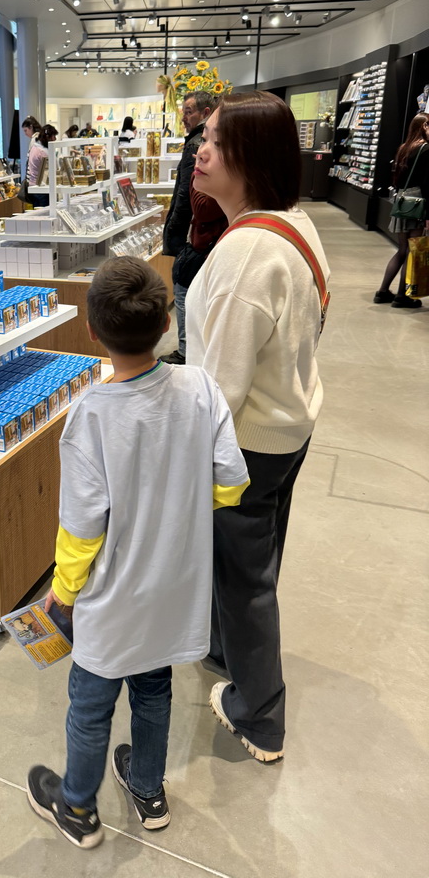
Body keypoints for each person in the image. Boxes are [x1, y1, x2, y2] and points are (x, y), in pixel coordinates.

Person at [26, 257, 249, 849]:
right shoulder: (201, 386)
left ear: (92, 332)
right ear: (168, 321)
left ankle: (76, 806)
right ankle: (148, 789)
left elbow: (81, 529)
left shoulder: (91, 416)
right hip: (172, 588)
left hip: (111, 598)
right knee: (154, 689)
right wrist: (176, 512)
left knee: (91, 703)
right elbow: (231, 482)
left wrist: (63, 593)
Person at [185, 91, 331, 763]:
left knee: (247, 580)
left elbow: (219, 387)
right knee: (255, 559)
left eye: (215, 140)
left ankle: (259, 717)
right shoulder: (296, 226)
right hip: (286, 426)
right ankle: (226, 654)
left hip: (244, 443)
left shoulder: (244, 253)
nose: (200, 149)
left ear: (251, 157)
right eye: (203, 136)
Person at [161, 91, 217, 364]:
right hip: (203, 234)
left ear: (206, 113)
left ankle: (185, 352)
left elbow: (186, 195)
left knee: (183, 287)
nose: (184, 116)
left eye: (189, 110)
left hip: (198, 237)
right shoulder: (201, 143)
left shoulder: (195, 145)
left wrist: (173, 235)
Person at [373, 112, 429, 308]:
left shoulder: (404, 148)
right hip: (418, 203)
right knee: (413, 250)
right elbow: (426, 182)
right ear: (425, 126)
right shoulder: (425, 149)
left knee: (402, 249)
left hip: (402, 201)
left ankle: (382, 291)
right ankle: (402, 296)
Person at [27, 124, 58, 205]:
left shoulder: (34, 147)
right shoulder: (43, 153)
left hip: (34, 185)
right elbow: (54, 168)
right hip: (41, 187)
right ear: (48, 137)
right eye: (54, 136)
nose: (55, 139)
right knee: (45, 213)